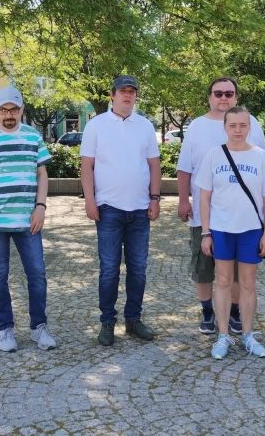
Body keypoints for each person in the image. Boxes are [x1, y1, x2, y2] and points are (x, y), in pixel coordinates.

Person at [0, 85, 56, 353]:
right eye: (4, 110)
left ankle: (38, 327)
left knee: (37, 274)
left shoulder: (32, 136)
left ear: (21, 110)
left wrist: (41, 206)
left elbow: (42, 174)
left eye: (14, 109)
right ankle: (5, 329)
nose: (9, 115)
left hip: (29, 220)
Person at [177, 77, 265, 335]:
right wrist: (183, 200)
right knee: (203, 268)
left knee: (237, 270)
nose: (224, 98)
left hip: (242, 216)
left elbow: (262, 169)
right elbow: (184, 168)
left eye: (229, 93)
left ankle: (235, 311)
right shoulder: (196, 126)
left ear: (236, 96)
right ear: (210, 97)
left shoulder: (251, 123)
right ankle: (207, 312)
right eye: (218, 93)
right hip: (204, 215)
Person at [80, 75, 162, 346]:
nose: (127, 95)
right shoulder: (96, 125)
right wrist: (89, 200)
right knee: (109, 269)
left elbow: (154, 165)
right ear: (112, 95)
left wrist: (155, 198)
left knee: (138, 268)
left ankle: (133, 320)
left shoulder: (145, 126)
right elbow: (87, 166)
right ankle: (107, 322)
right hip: (108, 209)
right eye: (122, 91)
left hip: (139, 209)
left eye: (132, 91)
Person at [195, 106, 265, 359]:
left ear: (249, 127)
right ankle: (223, 335)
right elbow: (204, 197)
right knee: (222, 281)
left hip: (251, 229)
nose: (238, 130)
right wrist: (206, 233)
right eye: (232, 125)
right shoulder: (214, 155)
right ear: (225, 127)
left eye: (243, 125)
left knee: (248, 283)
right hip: (221, 229)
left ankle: (247, 334)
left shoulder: (259, 156)